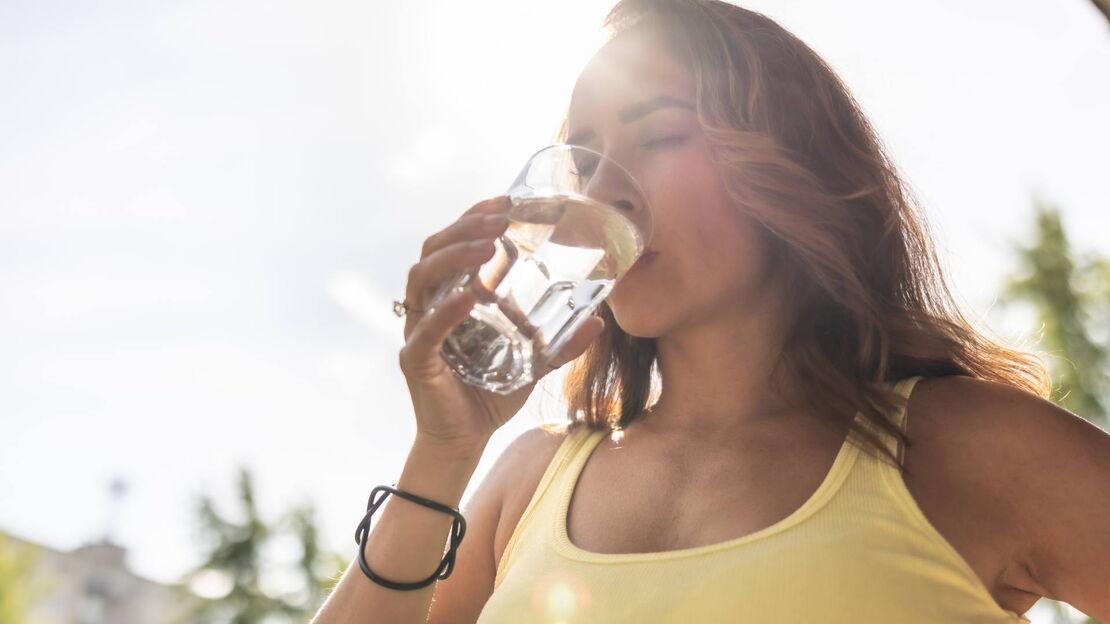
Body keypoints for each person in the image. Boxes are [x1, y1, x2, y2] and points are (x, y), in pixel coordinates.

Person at [311, 1, 1110, 623]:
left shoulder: (967, 448)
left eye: (656, 137)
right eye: (582, 158)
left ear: (794, 165)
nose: (604, 190)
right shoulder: (530, 480)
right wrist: (444, 452)